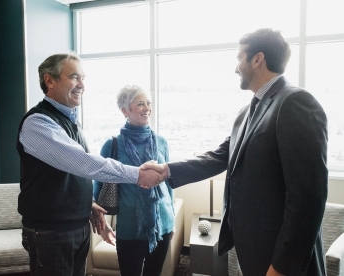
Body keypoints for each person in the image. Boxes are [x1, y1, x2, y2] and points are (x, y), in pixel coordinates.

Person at [143, 28, 328, 276]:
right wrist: (167, 170)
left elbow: (309, 199)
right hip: (252, 250)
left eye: (239, 58)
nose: (236, 67)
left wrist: (282, 267)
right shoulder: (247, 111)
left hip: (282, 260)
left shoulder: (295, 102)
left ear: (257, 59)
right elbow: (220, 156)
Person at [17, 53, 164, 276]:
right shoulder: (38, 122)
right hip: (51, 232)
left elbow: (73, 174)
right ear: (50, 81)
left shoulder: (70, 121)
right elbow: (83, 163)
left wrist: (89, 204)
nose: (82, 85)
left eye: (83, 78)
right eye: (74, 77)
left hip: (76, 227)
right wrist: (138, 175)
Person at [93, 85, 175, 276]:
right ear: (125, 111)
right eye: (140, 104)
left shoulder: (161, 142)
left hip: (161, 225)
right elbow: (99, 187)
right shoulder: (112, 145)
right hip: (129, 229)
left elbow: (169, 184)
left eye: (148, 103)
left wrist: (170, 222)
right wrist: (102, 226)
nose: (147, 108)